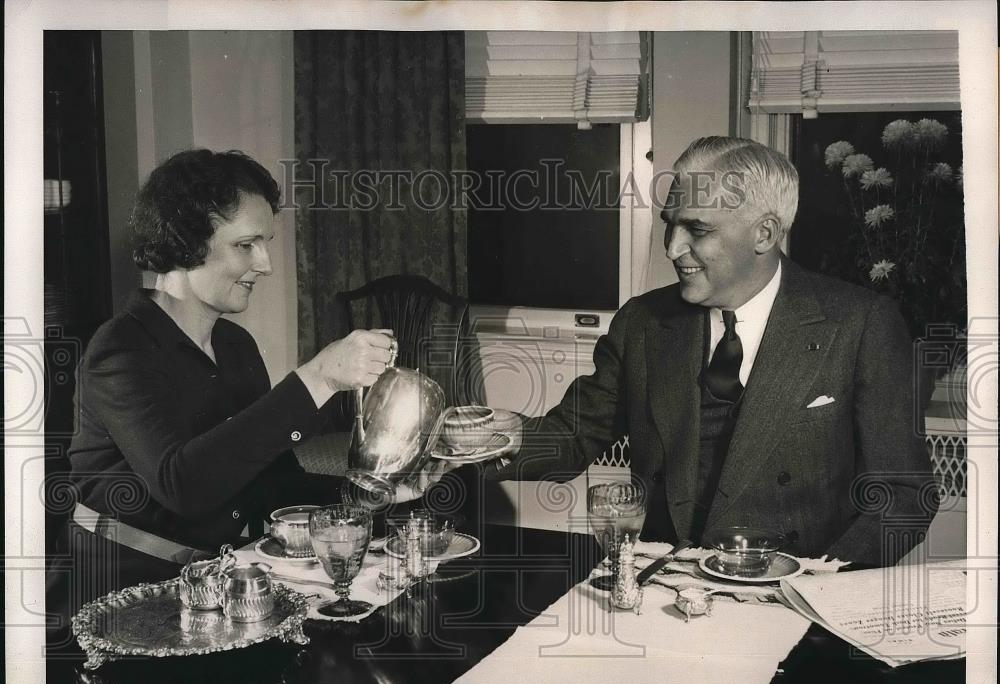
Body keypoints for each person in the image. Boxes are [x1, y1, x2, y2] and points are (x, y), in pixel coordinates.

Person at [488, 136, 936, 566]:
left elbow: (904, 494)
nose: (672, 248)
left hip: (796, 595)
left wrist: (827, 578)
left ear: (764, 233)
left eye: (697, 229)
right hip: (664, 580)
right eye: (670, 225)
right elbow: (573, 434)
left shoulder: (861, 324)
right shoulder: (642, 322)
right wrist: (485, 442)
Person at [67, 148, 436, 567]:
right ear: (184, 243)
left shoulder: (234, 344)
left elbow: (269, 481)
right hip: (117, 581)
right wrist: (318, 378)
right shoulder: (120, 350)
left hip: (207, 575)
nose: (266, 265)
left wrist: (370, 493)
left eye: (266, 244)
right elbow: (183, 485)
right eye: (246, 245)